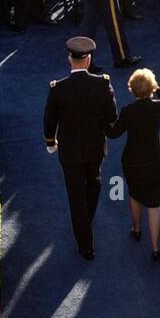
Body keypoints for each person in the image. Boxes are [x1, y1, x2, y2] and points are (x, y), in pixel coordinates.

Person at [43, 37, 118, 261]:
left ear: (70, 59)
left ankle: (85, 244)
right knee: (94, 184)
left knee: (76, 197)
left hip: (70, 152)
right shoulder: (103, 83)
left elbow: (49, 120)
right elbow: (112, 116)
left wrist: (50, 142)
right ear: (88, 59)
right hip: (95, 148)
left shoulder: (58, 88)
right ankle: (87, 225)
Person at [108, 68, 160, 262]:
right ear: (152, 88)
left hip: (132, 160)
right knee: (154, 204)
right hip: (154, 159)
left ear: (132, 90)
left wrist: (100, 120)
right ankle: (155, 248)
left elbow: (112, 134)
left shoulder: (128, 112)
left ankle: (136, 229)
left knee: (135, 194)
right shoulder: (159, 106)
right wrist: (158, 89)